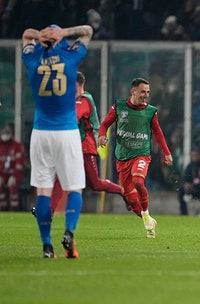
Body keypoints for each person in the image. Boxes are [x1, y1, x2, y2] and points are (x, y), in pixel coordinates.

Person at [22, 23, 93, 258]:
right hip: (66, 131)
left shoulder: (32, 59)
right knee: (75, 189)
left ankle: (46, 245)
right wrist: (64, 32)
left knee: (43, 190)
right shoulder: (70, 57)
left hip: (41, 132)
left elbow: (26, 35)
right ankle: (69, 232)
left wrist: (38, 35)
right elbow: (88, 31)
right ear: (60, 40)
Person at [98, 77, 173, 238]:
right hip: (122, 157)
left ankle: (146, 214)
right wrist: (102, 135)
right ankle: (147, 219)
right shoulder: (119, 106)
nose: (146, 95)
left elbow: (157, 132)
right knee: (131, 202)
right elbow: (104, 124)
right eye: (142, 92)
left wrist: (166, 152)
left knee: (138, 181)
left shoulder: (150, 111)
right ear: (133, 91)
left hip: (141, 155)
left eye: (148, 92)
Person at [49, 72, 124, 214]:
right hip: (74, 146)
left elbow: (74, 118)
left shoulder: (83, 100)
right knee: (61, 177)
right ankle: (49, 211)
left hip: (85, 146)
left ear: (77, 85)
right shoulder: (75, 100)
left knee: (94, 183)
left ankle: (122, 191)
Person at [177, 147, 200, 216]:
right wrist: (186, 185)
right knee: (181, 190)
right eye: (193, 155)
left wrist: (193, 185)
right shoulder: (190, 166)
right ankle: (183, 212)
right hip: (193, 188)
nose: (195, 157)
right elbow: (185, 178)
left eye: (196, 155)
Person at [0, 123, 26, 211]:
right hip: (2, 174)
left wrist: (14, 175)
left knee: (12, 184)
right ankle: (3, 208)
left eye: (7, 133)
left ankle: (14, 208)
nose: (5, 135)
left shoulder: (17, 145)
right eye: (3, 133)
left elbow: (20, 164)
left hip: (15, 174)